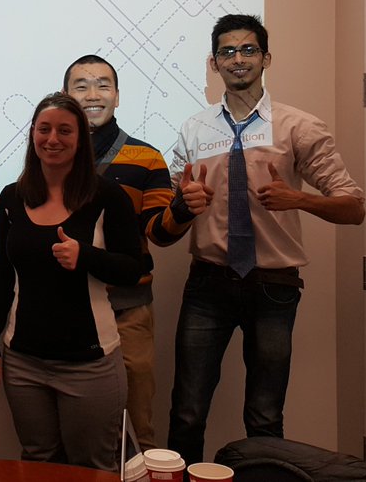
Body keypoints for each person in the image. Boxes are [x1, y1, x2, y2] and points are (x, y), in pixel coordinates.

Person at [166, 14, 365, 464]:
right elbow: (170, 208)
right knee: (187, 412)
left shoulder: (299, 127)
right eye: (227, 51)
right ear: (214, 63)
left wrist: (299, 199)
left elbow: (354, 207)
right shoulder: (194, 129)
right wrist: (184, 202)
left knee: (265, 417)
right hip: (208, 284)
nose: (238, 59)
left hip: (273, 286)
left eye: (248, 49)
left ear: (266, 58)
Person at [0, 94, 145, 471]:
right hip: (23, 362)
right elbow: (1, 275)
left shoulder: (107, 196)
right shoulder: (12, 197)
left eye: (65, 131)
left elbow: (132, 270)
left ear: (81, 139)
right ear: (33, 135)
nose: (52, 139)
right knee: (38, 463)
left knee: (92, 467)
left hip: (90, 364)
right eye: (44, 129)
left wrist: (85, 256)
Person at [62, 55, 211, 452]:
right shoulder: (50, 156)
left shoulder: (146, 157)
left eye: (103, 85)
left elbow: (158, 233)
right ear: (66, 96)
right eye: (81, 86)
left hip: (128, 311)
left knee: (136, 426)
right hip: (66, 310)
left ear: (117, 95)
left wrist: (182, 209)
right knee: (73, 431)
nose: (93, 94)